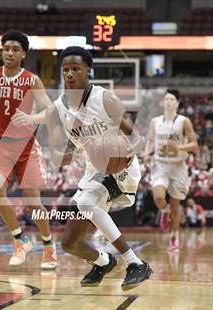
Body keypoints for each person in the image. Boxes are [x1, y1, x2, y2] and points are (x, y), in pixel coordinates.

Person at [47, 46, 152, 290]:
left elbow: (136, 139)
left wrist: (120, 154)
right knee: (70, 244)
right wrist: (65, 156)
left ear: (88, 71)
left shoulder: (106, 99)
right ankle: (104, 262)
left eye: (76, 69)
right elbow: (65, 151)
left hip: (121, 168)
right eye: (65, 69)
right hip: (93, 171)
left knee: (86, 203)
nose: (70, 74)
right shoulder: (59, 109)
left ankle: (135, 263)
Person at [0, 30, 57, 269]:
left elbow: (50, 111)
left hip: (26, 148)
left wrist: (33, 119)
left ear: (23, 54)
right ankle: (20, 240)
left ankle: (49, 245)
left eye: (14, 50)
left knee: (33, 203)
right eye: (6, 49)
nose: (9, 53)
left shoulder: (31, 80)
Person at [144, 89, 198, 251]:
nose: (168, 102)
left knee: (176, 208)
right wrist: (147, 154)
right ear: (163, 103)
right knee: (159, 197)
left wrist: (179, 147)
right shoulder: (155, 121)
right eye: (166, 99)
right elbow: (150, 140)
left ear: (177, 103)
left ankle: (174, 237)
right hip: (160, 165)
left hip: (178, 167)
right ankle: (164, 211)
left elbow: (195, 145)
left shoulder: (184, 121)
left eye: (171, 99)